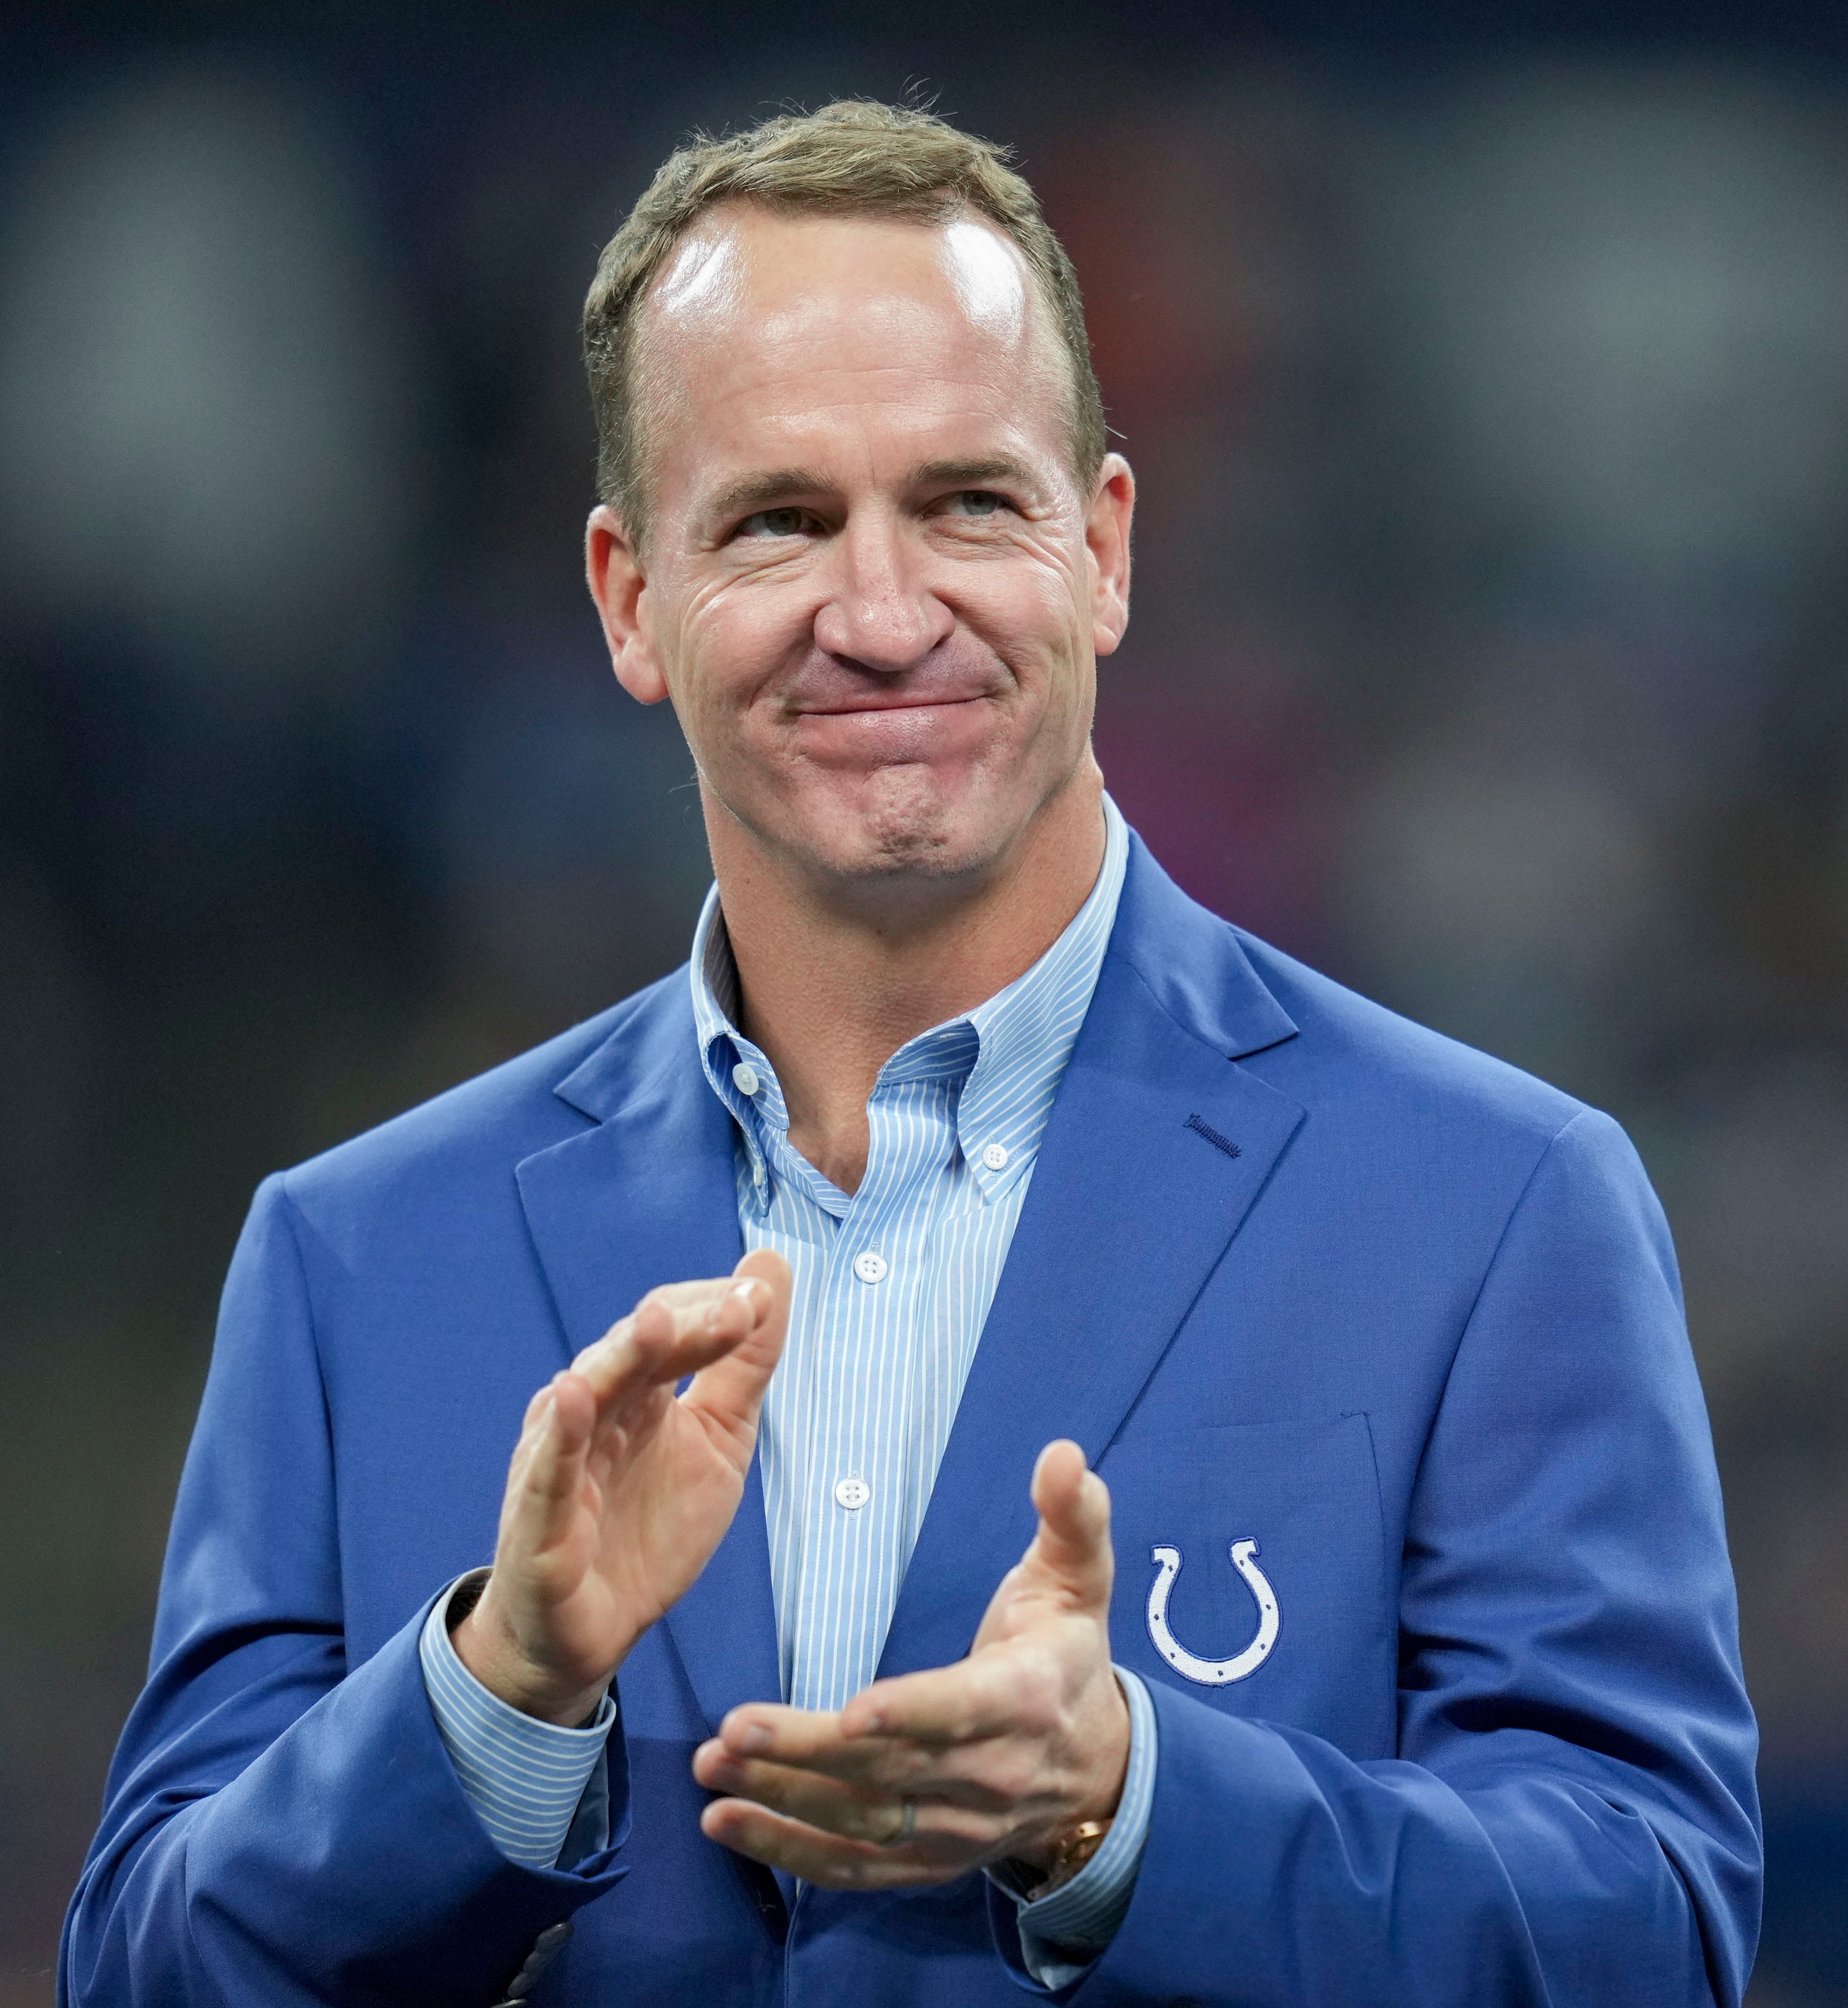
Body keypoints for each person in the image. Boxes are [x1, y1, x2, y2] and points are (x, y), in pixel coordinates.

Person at [61, 100, 1760, 2008]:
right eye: (782, 520)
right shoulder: (352, 1260)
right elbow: (151, 1968)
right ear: (632, 600)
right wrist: (495, 1700)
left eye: (967, 502)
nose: (883, 617)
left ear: (1103, 548)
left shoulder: (1497, 1205)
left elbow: (1653, 1936)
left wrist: (1127, 1804)